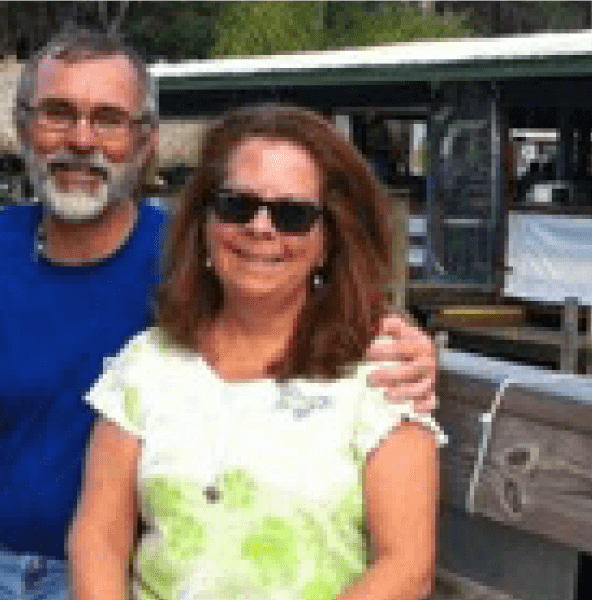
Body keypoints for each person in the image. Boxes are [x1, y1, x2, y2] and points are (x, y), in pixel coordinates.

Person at [0, 31, 435, 600]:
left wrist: (408, 345)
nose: (82, 139)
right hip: (0, 557)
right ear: (24, 127)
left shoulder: (199, 264)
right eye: (58, 113)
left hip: (131, 571)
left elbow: (305, 301)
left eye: (108, 119)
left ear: (146, 140)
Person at [70, 105, 442, 599]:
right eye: (237, 206)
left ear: (329, 240)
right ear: (204, 222)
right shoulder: (146, 365)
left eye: (293, 215)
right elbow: (99, 537)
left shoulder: (383, 375)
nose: (261, 228)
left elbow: (406, 568)